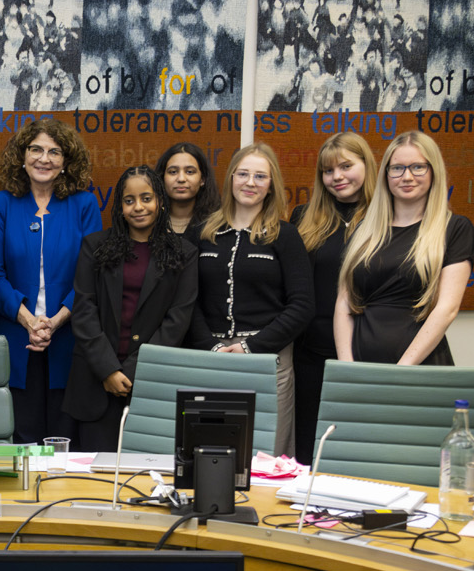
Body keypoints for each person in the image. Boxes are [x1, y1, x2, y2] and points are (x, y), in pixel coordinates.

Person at [188, 143, 312, 457]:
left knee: (266, 455)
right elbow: (186, 301)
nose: (250, 182)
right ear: (230, 178)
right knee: (211, 449)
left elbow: (302, 305)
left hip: (267, 358)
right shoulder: (201, 233)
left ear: (271, 186)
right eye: (243, 174)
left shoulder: (285, 235)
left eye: (260, 176)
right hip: (211, 357)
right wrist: (211, 347)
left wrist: (250, 347)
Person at [64, 166, 197, 451]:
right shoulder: (95, 247)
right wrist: (109, 370)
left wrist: (135, 370)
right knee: (93, 483)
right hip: (95, 383)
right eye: (129, 200)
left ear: (160, 201)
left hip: (153, 385)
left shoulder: (184, 252)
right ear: (120, 206)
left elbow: (177, 320)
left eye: (146, 198)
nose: (138, 207)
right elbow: (84, 309)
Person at [0, 117, 102, 444]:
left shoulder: (84, 205)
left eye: (54, 152)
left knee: (64, 444)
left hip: (69, 341)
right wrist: (28, 321)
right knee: (21, 442)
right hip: (15, 341)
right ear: (21, 157)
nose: (44, 158)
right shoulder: (1, 204)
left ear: (66, 161)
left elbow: (92, 276)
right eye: (35, 149)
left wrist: (55, 322)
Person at [336, 131, 474, 366]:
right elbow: (343, 303)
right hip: (360, 367)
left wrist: (402, 369)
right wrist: (346, 366)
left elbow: (447, 309)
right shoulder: (364, 231)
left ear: (433, 172)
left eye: (418, 167)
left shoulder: (454, 228)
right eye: (397, 168)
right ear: (386, 175)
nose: (407, 176)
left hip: (419, 368)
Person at [290, 132, 377, 464]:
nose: (337, 177)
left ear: (366, 165)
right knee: (310, 448)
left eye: (346, 166)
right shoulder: (304, 217)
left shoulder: (387, 217)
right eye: (328, 171)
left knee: (359, 447)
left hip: (368, 347)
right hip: (310, 353)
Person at [156, 142, 221, 238]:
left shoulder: (218, 223)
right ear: (162, 178)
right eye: (173, 172)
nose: (181, 179)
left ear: (202, 179)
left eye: (189, 172)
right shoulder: (150, 222)